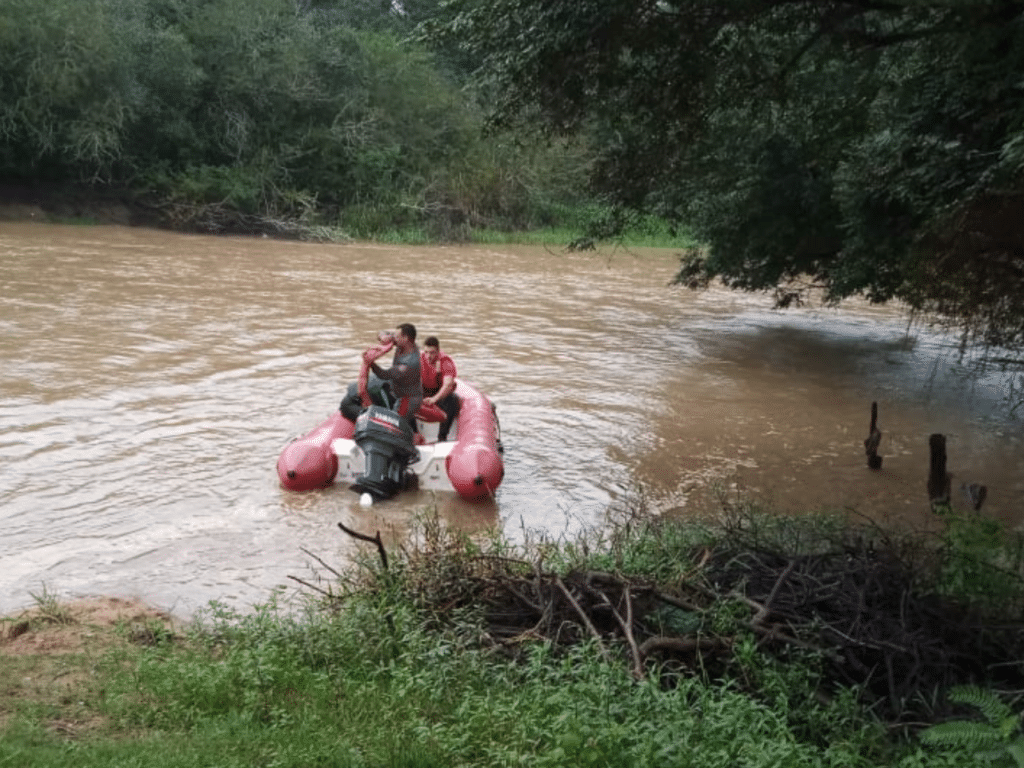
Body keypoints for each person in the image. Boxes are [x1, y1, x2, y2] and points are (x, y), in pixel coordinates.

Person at [367, 323, 422, 426]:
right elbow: (383, 334)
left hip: (408, 399)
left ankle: (413, 437)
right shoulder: (406, 344)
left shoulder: (408, 364)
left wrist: (370, 363)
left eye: (396, 336)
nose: (394, 338)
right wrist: (382, 336)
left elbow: (384, 374)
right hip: (399, 388)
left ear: (405, 338)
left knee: (395, 424)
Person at [420, 336, 460, 441]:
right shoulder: (419, 359)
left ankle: (442, 436)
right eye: (426, 352)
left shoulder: (445, 361)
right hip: (424, 391)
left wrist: (434, 399)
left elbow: (448, 384)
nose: (428, 356)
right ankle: (413, 433)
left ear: (438, 351)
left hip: (439, 393)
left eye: (432, 353)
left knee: (453, 400)